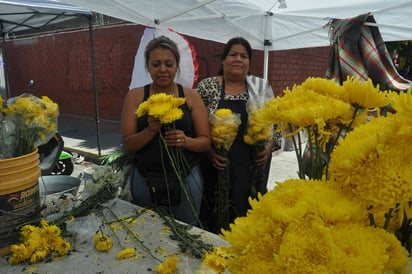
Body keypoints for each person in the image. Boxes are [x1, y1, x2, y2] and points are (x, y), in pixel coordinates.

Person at [120, 35, 210, 226]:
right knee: (148, 232)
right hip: (145, 179)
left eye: (169, 64)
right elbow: (128, 144)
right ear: (148, 66)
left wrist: (186, 141)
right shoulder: (135, 97)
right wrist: (151, 130)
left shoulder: (191, 97)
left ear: (177, 65)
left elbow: (205, 141)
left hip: (186, 178)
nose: (163, 70)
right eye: (156, 64)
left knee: (187, 231)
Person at [195, 37, 280, 233]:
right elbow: (195, 123)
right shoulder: (208, 87)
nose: (238, 59)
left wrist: (268, 146)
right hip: (215, 165)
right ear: (223, 60)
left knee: (246, 214)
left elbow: (276, 123)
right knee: (214, 211)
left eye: (244, 56)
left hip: (249, 168)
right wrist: (208, 151)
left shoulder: (260, 88)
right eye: (233, 54)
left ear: (249, 63)